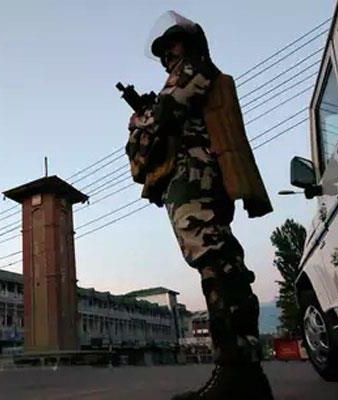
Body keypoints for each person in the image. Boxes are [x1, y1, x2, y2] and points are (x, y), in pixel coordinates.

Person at [125, 11, 274, 400]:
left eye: (170, 45)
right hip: (189, 181)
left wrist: (141, 120)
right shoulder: (189, 72)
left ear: (185, 43)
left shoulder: (195, 68)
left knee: (218, 264)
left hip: (197, 179)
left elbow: (164, 117)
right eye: (163, 50)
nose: (167, 56)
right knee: (214, 263)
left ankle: (239, 374)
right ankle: (239, 373)